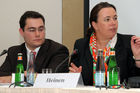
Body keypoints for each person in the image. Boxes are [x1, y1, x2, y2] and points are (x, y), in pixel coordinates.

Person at [69, 2, 140, 86]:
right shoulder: (81, 45)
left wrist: (138, 58)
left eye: (115, 18)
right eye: (107, 19)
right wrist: (76, 76)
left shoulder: (129, 43)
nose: (113, 23)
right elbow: (74, 77)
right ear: (95, 25)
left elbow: (136, 80)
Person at [0, 11, 69, 83]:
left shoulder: (58, 50)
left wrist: (23, 76)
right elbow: (1, 78)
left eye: (41, 29)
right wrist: (24, 76)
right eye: (32, 30)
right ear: (21, 32)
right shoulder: (14, 51)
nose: (37, 34)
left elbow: (52, 79)